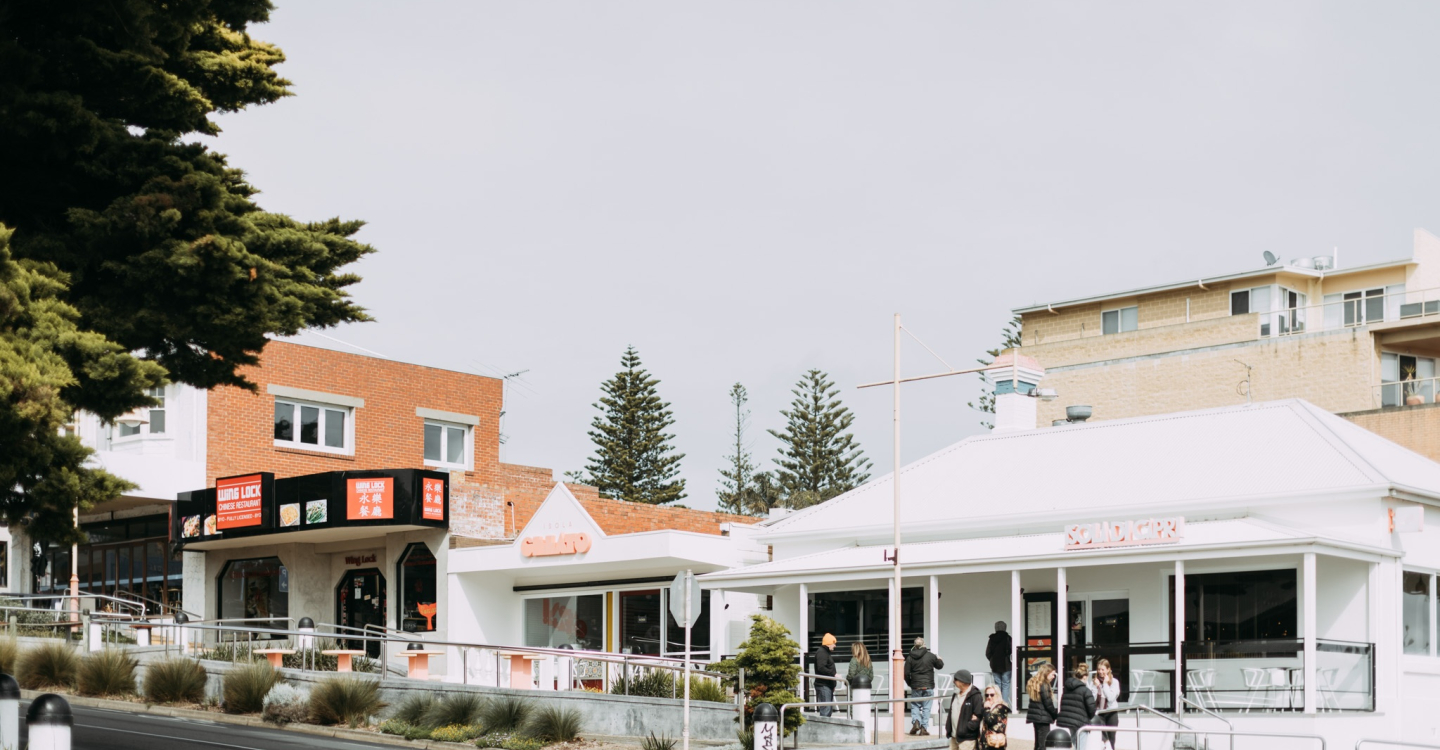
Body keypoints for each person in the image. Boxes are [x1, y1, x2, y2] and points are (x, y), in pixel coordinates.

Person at [905, 636, 945, 734]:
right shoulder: (930, 656)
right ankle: (924, 728)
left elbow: (906, 673)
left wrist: (910, 683)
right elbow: (940, 666)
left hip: (916, 686)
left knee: (915, 705)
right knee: (927, 707)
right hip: (928, 686)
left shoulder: (910, 657)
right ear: (924, 645)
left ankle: (916, 722)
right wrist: (939, 659)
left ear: (914, 645)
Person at [1057, 664, 1098, 750]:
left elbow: (1063, 703)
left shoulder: (1068, 688)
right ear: (1085, 677)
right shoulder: (1085, 690)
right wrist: (1088, 717)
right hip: (1081, 722)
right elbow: (1092, 708)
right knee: (1081, 746)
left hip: (1070, 721)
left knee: (1075, 744)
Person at [945, 669, 985, 750]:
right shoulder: (955, 695)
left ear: (962, 682)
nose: (953, 682)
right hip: (954, 737)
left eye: (955, 680)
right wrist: (948, 728)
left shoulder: (975, 695)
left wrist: (966, 728)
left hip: (967, 739)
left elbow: (978, 716)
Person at [1025, 663, 1060, 749]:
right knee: (1043, 744)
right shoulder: (1044, 685)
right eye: (1052, 674)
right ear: (1046, 673)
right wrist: (1055, 714)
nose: (1053, 677)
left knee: (1037, 743)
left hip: (1036, 717)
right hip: (1043, 718)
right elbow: (1048, 703)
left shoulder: (1034, 683)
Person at [1090, 659, 1121, 750]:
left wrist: (1105, 684)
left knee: (1111, 738)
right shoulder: (1094, 682)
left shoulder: (1114, 682)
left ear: (1108, 669)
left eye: (1103, 669)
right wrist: (1097, 687)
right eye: (1099, 669)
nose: (1100, 672)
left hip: (1111, 711)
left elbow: (1111, 698)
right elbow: (1092, 699)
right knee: (1102, 738)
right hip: (1099, 713)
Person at [985, 621, 1013, 705]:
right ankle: (1003, 705)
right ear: (1005, 627)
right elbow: (1012, 651)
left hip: (995, 666)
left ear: (995, 628)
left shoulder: (992, 639)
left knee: (997, 686)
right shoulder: (1008, 638)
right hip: (1006, 665)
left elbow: (987, 653)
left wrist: (992, 660)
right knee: (1005, 685)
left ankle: (997, 705)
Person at [814, 633, 838, 717]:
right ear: (828, 643)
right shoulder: (822, 653)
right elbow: (821, 668)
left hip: (827, 685)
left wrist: (833, 684)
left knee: (827, 709)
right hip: (823, 685)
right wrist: (833, 675)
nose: (835, 646)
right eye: (833, 643)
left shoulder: (824, 652)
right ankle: (823, 729)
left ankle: (825, 729)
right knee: (826, 710)